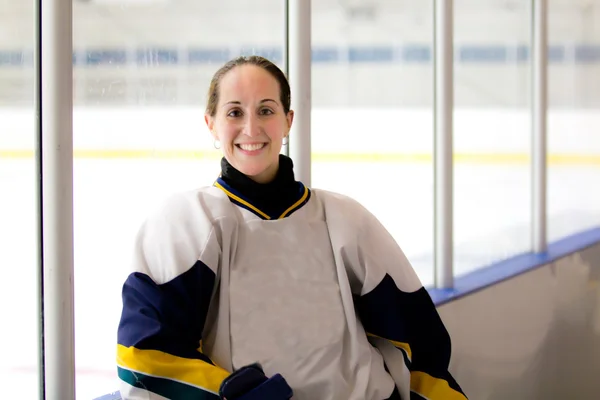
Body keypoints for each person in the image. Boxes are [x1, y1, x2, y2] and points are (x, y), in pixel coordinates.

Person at [116, 55, 467, 400]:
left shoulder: (345, 218)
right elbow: (144, 356)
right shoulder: (186, 221)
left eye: (266, 110)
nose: (251, 129)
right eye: (235, 112)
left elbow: (420, 342)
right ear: (211, 124)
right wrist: (228, 394)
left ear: (288, 121)